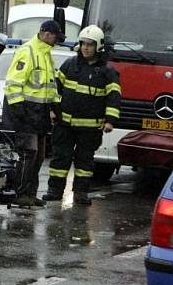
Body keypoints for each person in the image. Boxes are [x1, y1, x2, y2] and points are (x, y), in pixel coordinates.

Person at [43, 25, 121, 206]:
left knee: (84, 162)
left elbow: (114, 98)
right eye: (83, 43)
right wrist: (52, 109)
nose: (85, 47)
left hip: (90, 128)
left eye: (90, 44)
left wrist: (110, 121)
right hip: (64, 124)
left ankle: (80, 194)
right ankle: (54, 191)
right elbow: (54, 89)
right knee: (59, 159)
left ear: (98, 46)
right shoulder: (70, 65)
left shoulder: (108, 72)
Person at [4, 20, 63, 207]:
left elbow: (50, 86)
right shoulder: (27, 52)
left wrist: (55, 107)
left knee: (38, 156)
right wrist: (18, 110)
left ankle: (30, 194)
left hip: (41, 114)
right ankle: (21, 194)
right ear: (46, 34)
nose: (56, 41)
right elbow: (13, 83)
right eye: (55, 37)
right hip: (27, 113)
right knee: (29, 154)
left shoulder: (46, 55)